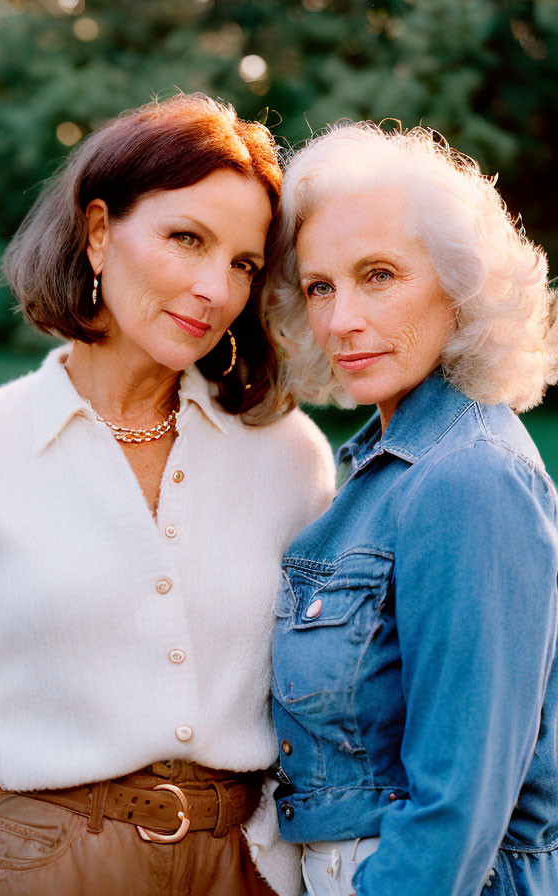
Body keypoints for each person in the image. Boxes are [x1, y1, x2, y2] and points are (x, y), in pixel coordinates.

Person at [0, 94, 336, 896]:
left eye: (244, 264)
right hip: (47, 866)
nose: (215, 289)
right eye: (188, 239)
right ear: (100, 231)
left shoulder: (290, 458)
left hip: (245, 867)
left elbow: (333, 695)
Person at [264, 122, 558, 895]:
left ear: (461, 285)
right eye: (321, 286)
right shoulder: (382, 466)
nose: (341, 320)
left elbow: (458, 812)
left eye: (380, 275)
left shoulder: (466, 477)